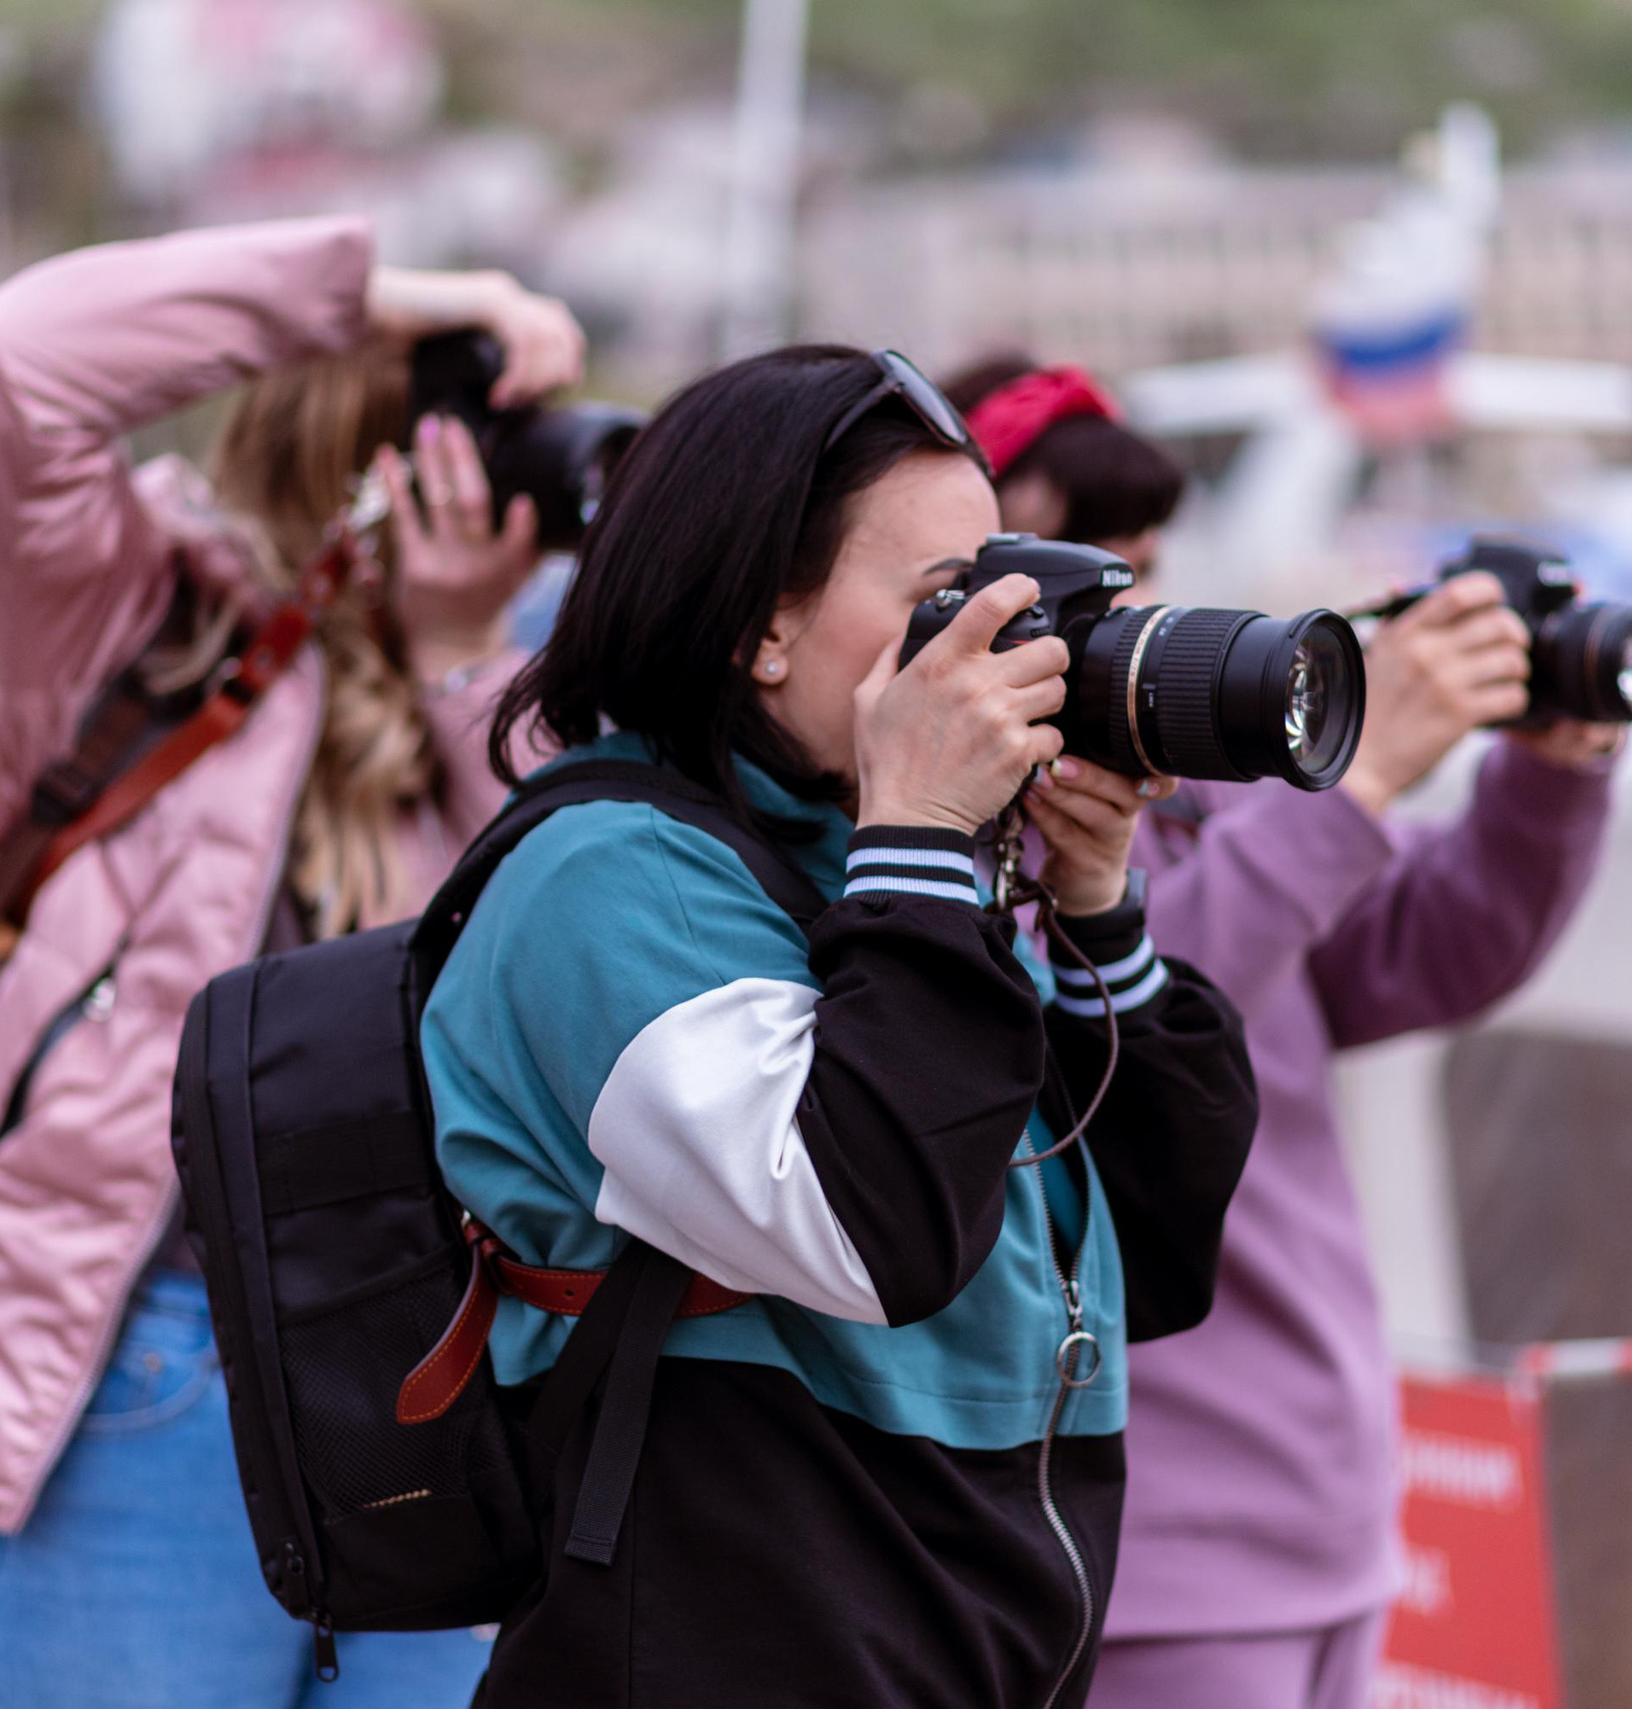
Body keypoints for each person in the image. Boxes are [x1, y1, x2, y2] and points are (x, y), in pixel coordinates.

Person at [0, 217, 582, 1708]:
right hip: (156, 1365)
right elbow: (6, 362)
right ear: (361, 458)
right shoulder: (123, 625)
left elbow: (550, 960)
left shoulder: (489, 706)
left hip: (428, 1384)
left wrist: (458, 651)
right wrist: (393, 295)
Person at [419, 346, 1260, 1707]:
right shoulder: (607, 880)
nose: (997, 640)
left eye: (1001, 588)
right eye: (944, 600)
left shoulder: (866, 872)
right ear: (761, 622)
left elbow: (1155, 1248)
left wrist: (1095, 906)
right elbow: (871, 1223)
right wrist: (924, 846)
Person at [948, 355, 1619, 1709]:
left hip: (1332, 1511)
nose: (1118, 620)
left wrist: (1547, 769)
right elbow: (1113, 1027)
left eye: (1135, 570)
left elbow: (1428, 952)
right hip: (1155, 1551)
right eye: (1072, 580)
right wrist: (1360, 774)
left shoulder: (1184, 789)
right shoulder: (941, 834)